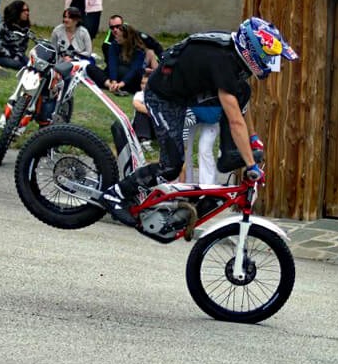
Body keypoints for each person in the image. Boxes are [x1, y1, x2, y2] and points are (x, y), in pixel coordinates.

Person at [100, 17, 298, 226]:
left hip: (185, 93)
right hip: (163, 98)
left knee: (243, 90)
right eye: (267, 57)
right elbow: (235, 121)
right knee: (171, 167)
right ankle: (115, 194)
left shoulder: (233, 54)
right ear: (253, 50)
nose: (268, 63)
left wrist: (253, 138)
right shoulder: (224, 62)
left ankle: (230, 155)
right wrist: (251, 165)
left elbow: (240, 101)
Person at [99, 22, 147, 96]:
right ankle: (111, 85)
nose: (116, 38)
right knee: (90, 68)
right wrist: (114, 81)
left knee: (124, 70)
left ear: (127, 38)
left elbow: (134, 70)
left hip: (130, 79)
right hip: (115, 76)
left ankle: (116, 87)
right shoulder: (114, 44)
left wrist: (121, 84)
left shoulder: (139, 50)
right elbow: (112, 63)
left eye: (119, 36)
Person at [180, 102, 221, 184]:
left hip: (211, 112)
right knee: (185, 150)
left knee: (204, 148)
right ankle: (187, 185)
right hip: (189, 110)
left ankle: (208, 187)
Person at [0, 0, 33, 70]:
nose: (27, 13)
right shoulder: (3, 26)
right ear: (17, 11)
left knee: (31, 65)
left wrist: (18, 56)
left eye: (28, 10)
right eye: (24, 10)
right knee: (18, 65)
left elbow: (23, 47)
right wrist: (11, 56)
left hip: (18, 56)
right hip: (2, 56)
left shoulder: (25, 28)